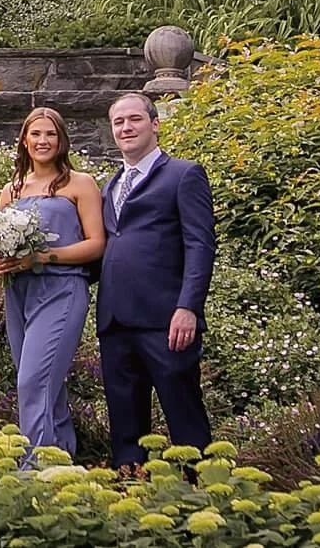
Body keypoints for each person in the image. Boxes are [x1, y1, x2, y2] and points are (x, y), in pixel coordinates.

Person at [96, 92, 216, 466]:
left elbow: (200, 245)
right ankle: (131, 496)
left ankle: (203, 495)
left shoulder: (184, 174)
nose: (126, 127)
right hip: (115, 322)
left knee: (185, 417)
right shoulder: (109, 186)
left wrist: (188, 308)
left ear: (155, 124)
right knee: (126, 429)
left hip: (166, 321)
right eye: (119, 122)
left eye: (135, 119)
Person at [0, 106, 107, 457]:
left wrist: (42, 257)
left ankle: (35, 469)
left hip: (62, 289)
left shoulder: (80, 184)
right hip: (18, 291)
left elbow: (96, 243)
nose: (43, 140)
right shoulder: (10, 190)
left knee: (32, 382)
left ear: (61, 140)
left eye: (50, 134)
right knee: (47, 388)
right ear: (24, 140)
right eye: (36, 134)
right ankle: (62, 460)